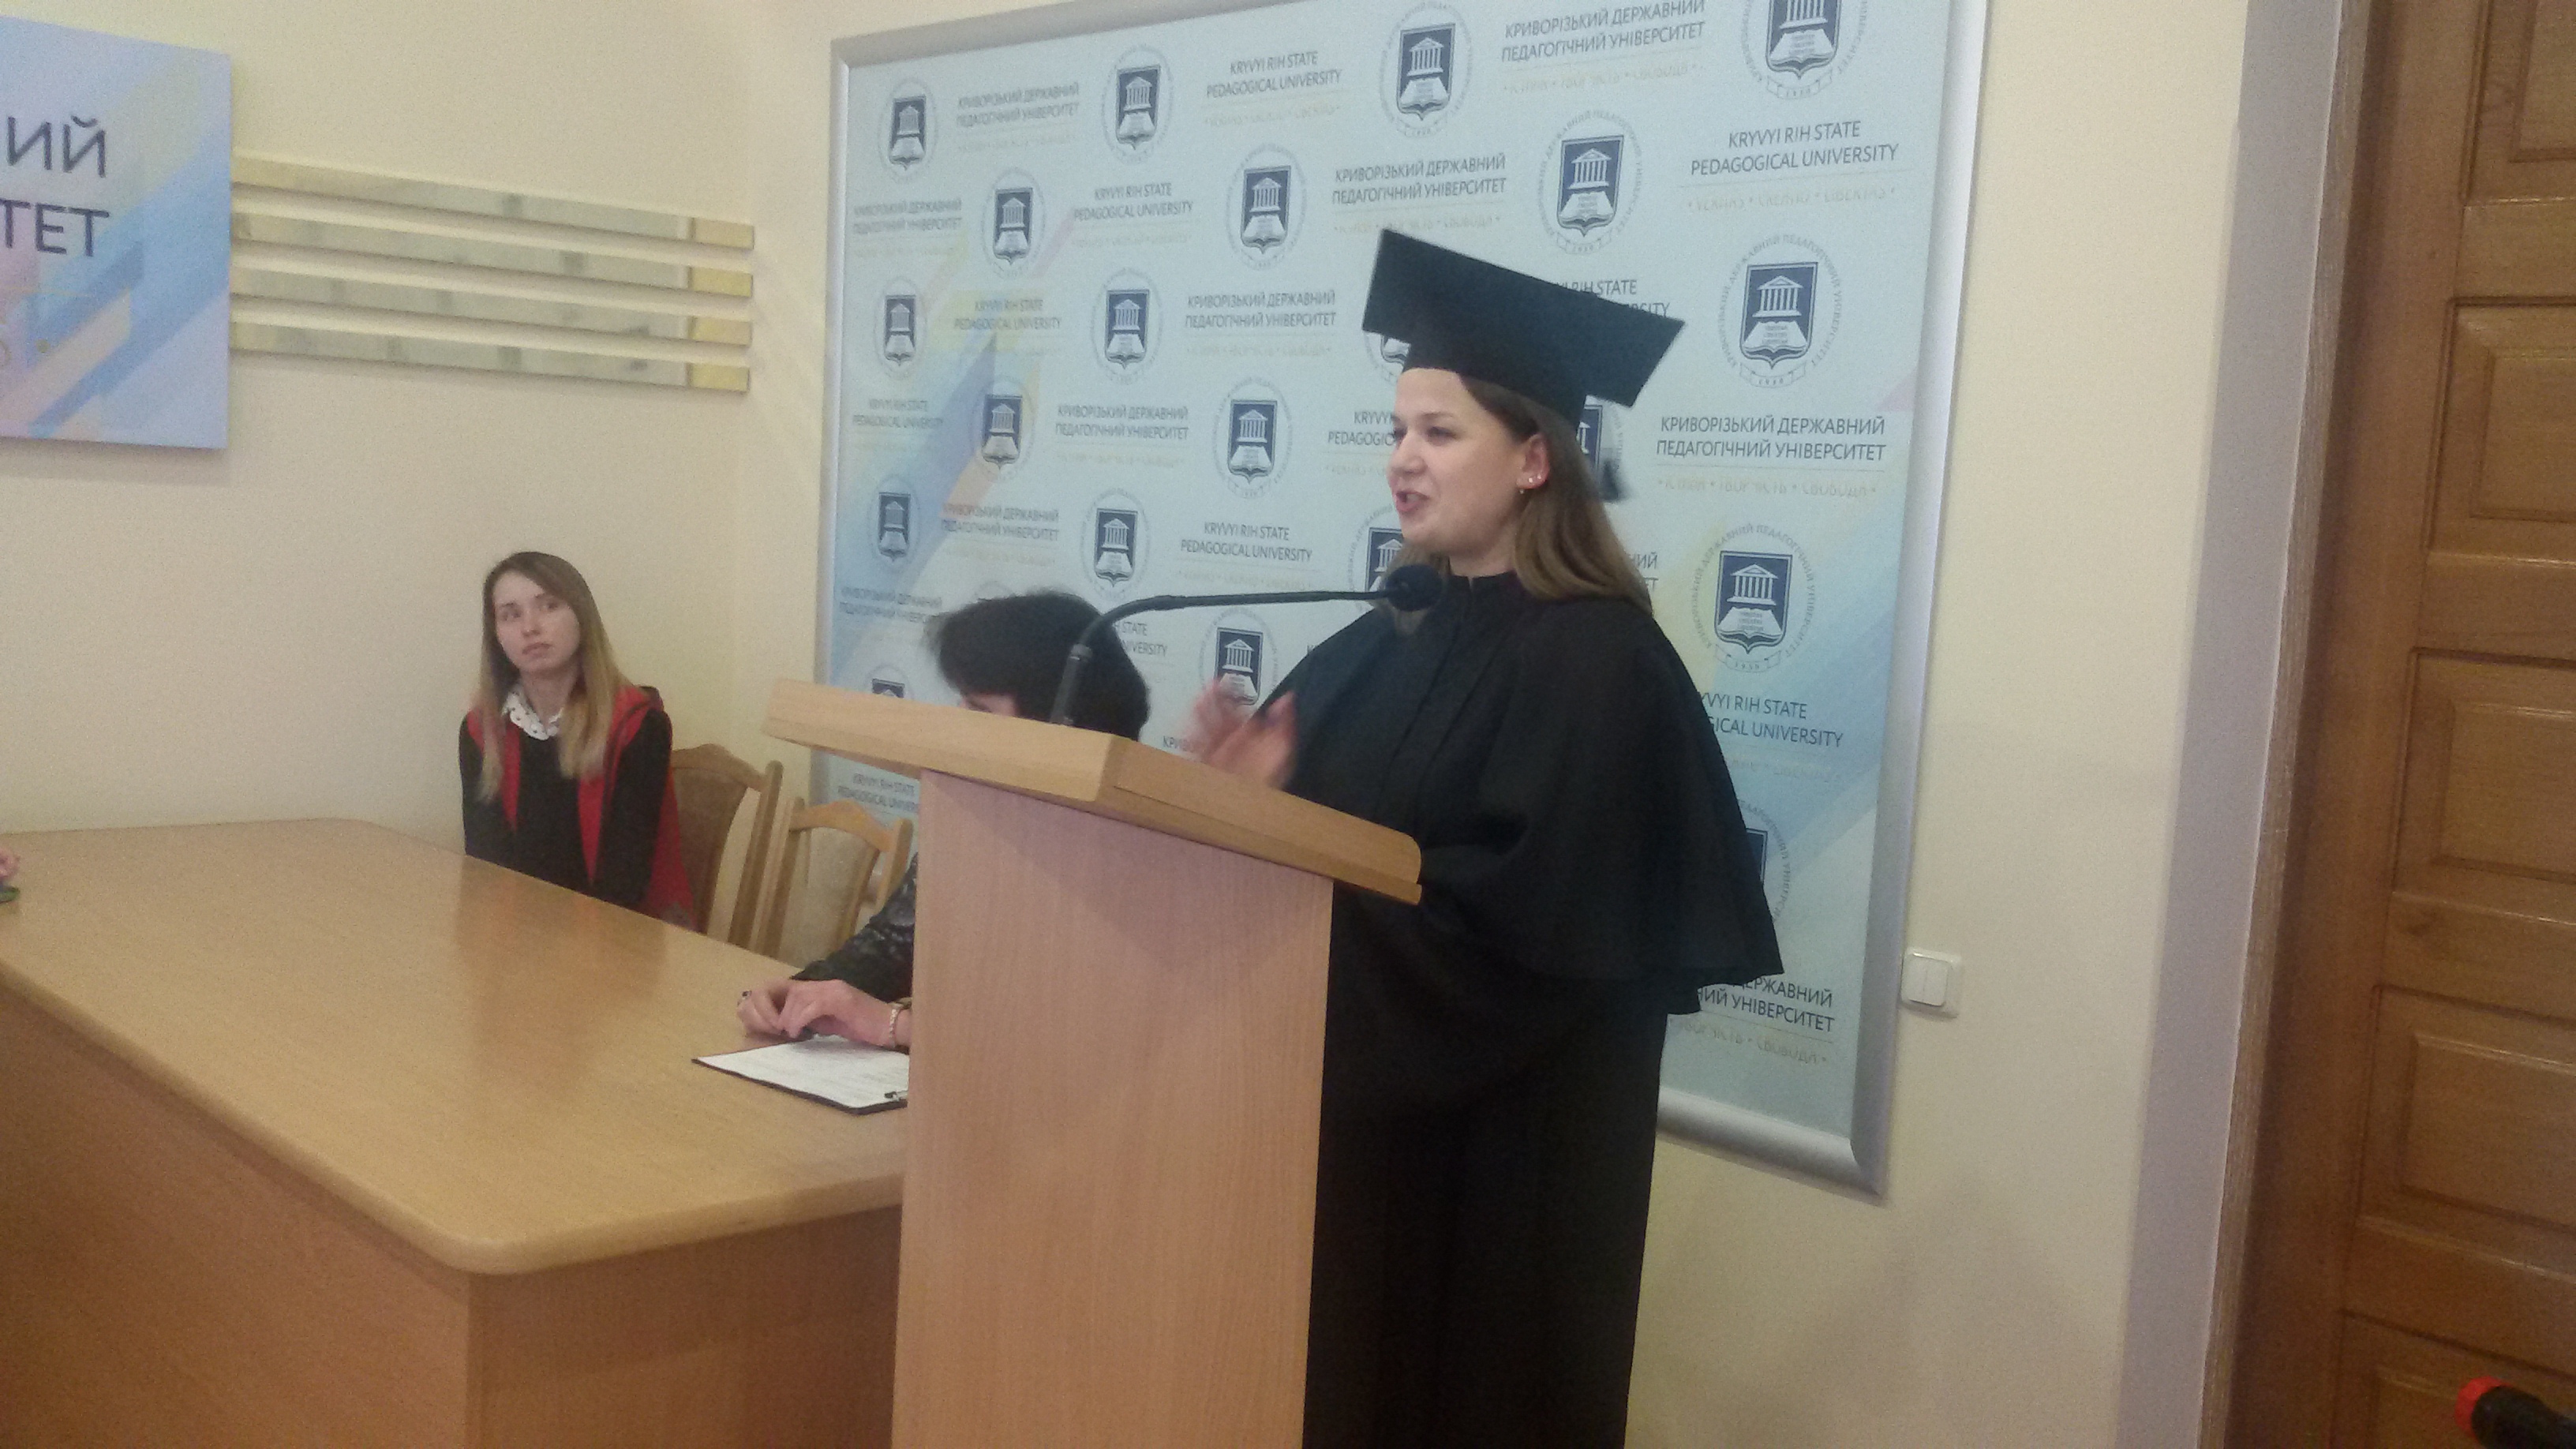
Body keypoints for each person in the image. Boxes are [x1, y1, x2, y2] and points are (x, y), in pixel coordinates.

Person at [1186, 231, 1785, 1448]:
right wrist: (1238, 815)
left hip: (1504, 1183)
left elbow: (1508, 941)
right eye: (1396, 430)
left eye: (1438, 432)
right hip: (1360, 1163)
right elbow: (1319, 853)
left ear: (1532, 458)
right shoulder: (1388, 635)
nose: (1402, 459)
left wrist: (1286, 889)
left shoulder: (1602, 668)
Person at [736, 590, 1150, 1048]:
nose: (956, 720)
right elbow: (885, 953)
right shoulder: (973, 824)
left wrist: (892, 1025)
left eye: (978, 708)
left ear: (1058, 725)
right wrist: (796, 995)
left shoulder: (1127, 865)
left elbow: (1059, 1037)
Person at [459, 552, 692, 923]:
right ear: (496, 635)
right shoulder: (481, 730)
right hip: (515, 932)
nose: (530, 627)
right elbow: (484, 866)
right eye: (511, 614)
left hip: (619, 934)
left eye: (549, 606)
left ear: (582, 616)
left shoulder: (637, 726)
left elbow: (623, 888)